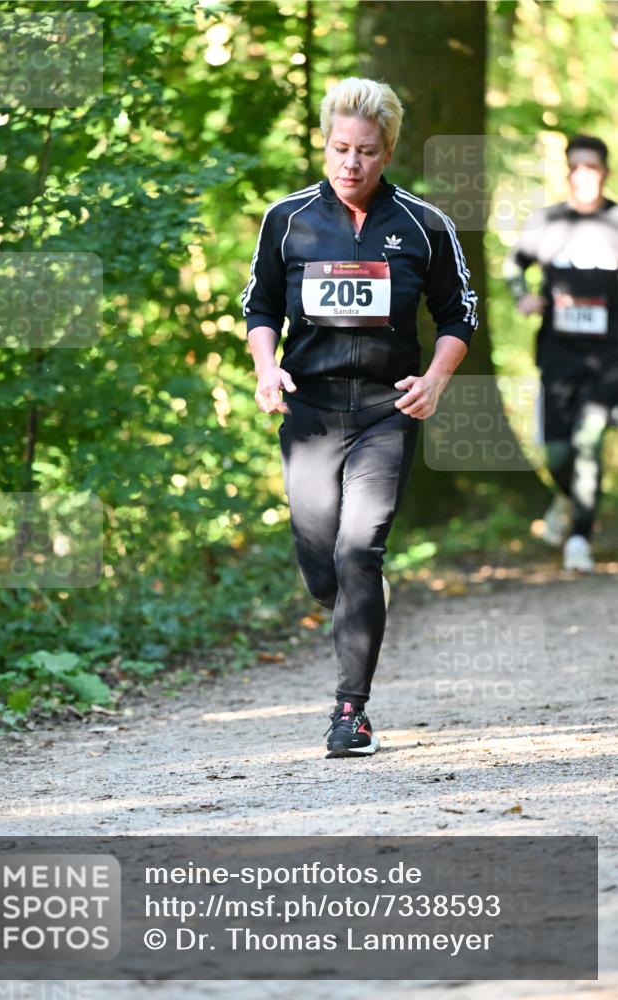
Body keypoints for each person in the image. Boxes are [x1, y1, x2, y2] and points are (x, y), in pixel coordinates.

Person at [241, 77, 478, 758]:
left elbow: (459, 313)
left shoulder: (423, 224)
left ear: (388, 151)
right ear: (323, 144)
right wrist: (267, 367)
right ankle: (357, 593)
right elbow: (260, 307)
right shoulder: (287, 219)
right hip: (310, 410)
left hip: (385, 410)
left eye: (366, 152)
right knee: (324, 569)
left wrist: (434, 379)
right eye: (340, 148)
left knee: (358, 551)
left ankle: (351, 712)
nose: (351, 163)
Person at [505, 135, 618, 572]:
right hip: (556, 354)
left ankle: (579, 539)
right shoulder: (547, 222)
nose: (583, 175)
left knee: (588, 440)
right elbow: (514, 265)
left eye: (591, 167)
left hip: (609, 358)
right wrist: (521, 297)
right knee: (556, 451)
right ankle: (569, 498)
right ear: (567, 172)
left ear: (605, 171)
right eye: (575, 167)